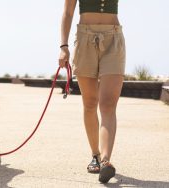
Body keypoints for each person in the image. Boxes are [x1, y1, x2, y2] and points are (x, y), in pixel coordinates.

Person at [58, 0, 125, 184]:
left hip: (113, 38)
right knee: (90, 103)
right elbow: (68, 12)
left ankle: (105, 161)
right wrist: (63, 47)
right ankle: (95, 154)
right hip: (85, 39)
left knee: (108, 104)